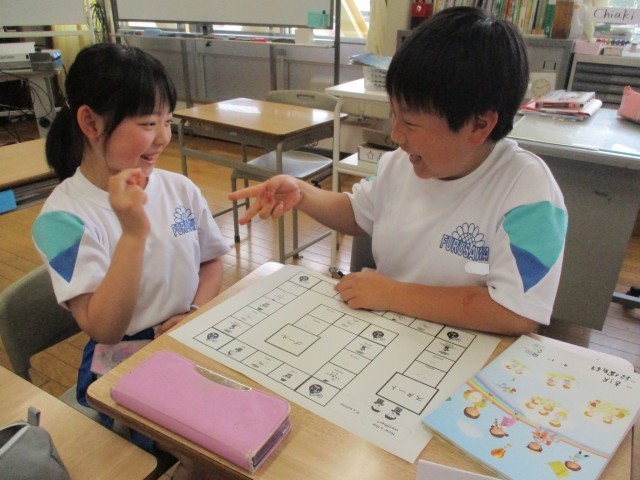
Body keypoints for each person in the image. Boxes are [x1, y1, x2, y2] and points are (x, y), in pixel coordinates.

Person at [229, 7, 568, 336]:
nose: (396, 135)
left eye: (410, 122)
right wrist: (302, 192)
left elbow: (515, 313)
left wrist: (393, 294)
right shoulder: (401, 164)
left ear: (479, 125)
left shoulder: (527, 190)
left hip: (462, 348)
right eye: (393, 114)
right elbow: (358, 213)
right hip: (388, 336)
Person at [31, 43, 229, 479]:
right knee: (214, 452)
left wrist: (195, 312)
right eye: (147, 123)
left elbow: (211, 263)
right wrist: (133, 233)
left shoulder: (179, 189)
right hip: (123, 363)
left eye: (167, 122)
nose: (162, 137)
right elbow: (103, 328)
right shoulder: (58, 220)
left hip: (186, 336)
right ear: (90, 122)